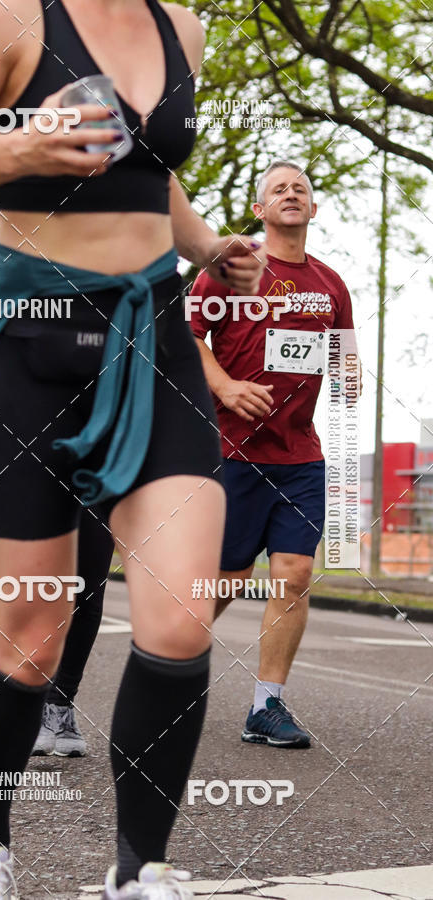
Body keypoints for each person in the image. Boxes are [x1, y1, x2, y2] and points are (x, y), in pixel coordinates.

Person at [0, 0, 266, 897]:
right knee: (33, 635)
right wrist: (19, 147)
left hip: (153, 343)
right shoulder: (7, 18)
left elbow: (153, 171)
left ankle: (140, 871)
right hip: (29, 349)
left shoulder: (185, 30)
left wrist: (207, 245)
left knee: (180, 616)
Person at [190, 160, 355, 749]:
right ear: (260, 210)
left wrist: (349, 374)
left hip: (301, 455)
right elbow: (186, 337)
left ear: (312, 209)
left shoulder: (331, 284)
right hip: (233, 452)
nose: (292, 194)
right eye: (279, 189)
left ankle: (267, 706)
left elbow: (343, 355)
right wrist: (227, 387)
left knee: (294, 575)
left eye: (301, 189)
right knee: (227, 581)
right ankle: (165, 670)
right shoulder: (234, 268)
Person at [32, 510, 114, 757]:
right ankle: (33, 704)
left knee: (88, 594)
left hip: (100, 479)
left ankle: (60, 704)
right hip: (37, 476)